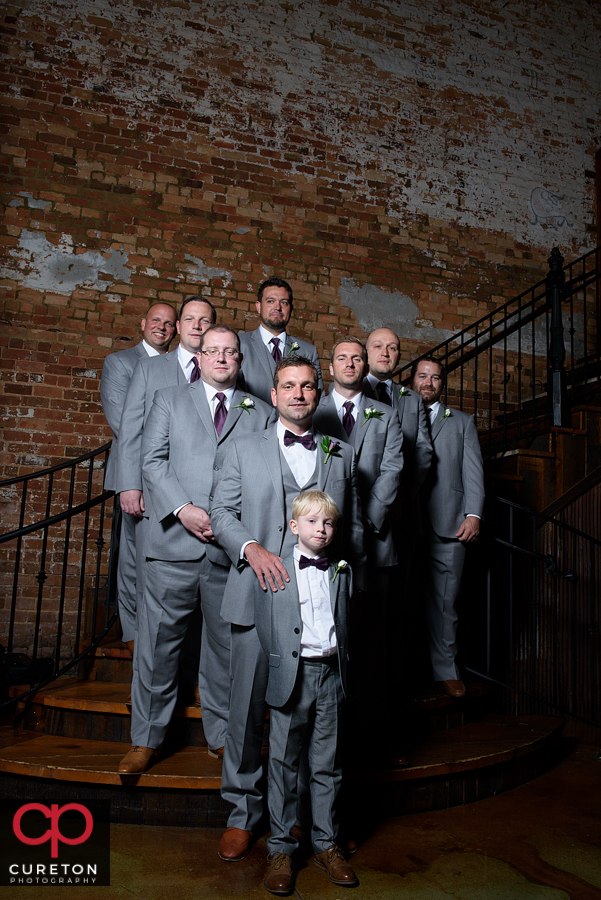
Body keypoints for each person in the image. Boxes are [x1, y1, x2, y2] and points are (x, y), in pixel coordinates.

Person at [210, 355, 365, 864]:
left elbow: (353, 526)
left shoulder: (339, 452)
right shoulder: (241, 447)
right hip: (257, 597)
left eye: (306, 387)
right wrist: (251, 548)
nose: (297, 394)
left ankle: (305, 818)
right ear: (273, 396)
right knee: (250, 714)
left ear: (317, 396)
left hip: (317, 607)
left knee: (308, 718)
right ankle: (242, 815)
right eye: (287, 386)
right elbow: (221, 511)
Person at [117, 326, 275, 775]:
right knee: (156, 647)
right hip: (172, 545)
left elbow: (264, 478)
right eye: (213, 351)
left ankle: (223, 738)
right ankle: (145, 739)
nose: (222, 359)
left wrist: (233, 530)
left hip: (228, 555)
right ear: (199, 357)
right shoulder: (169, 400)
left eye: (230, 352)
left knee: (226, 651)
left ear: (240, 361)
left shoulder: (261, 411)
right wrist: (183, 509)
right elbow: (152, 460)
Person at [258, 491, 358, 894]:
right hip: (293, 677)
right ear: (295, 527)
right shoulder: (277, 569)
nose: (322, 529)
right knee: (282, 765)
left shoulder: (342, 570)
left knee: (327, 765)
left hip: (332, 673)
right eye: (313, 522)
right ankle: (280, 849)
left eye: (329, 523)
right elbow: (264, 626)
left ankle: (326, 844)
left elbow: (348, 622)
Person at [313, 337, 405, 765]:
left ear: (365, 365)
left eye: (357, 357)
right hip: (321, 541)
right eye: (342, 357)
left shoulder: (385, 415)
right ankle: (325, 745)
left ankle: (375, 741)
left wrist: (366, 519)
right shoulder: (312, 409)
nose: (350, 363)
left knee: (371, 645)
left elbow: (392, 469)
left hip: (373, 539)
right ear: (330, 366)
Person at [115, 296, 216, 643]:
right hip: (152, 489)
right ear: (179, 327)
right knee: (147, 574)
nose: (197, 326)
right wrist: (129, 484)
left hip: (200, 492)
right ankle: (142, 646)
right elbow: (131, 429)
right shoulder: (150, 368)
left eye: (205, 320)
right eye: (189, 319)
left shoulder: (222, 370)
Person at [99, 303, 177, 652]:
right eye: (156, 321)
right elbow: (123, 421)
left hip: (171, 475)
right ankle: (131, 631)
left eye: (168, 323)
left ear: (175, 330)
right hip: (137, 474)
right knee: (132, 557)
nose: (162, 327)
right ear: (144, 324)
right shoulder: (120, 362)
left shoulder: (181, 366)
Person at [410, 357, 485, 697]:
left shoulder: (463, 422)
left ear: (443, 384)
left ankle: (446, 669)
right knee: (398, 601)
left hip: (450, 524)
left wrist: (474, 514)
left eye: (435, 378)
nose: (428, 382)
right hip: (404, 523)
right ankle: (402, 673)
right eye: (422, 376)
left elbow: (474, 472)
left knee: (445, 603)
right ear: (412, 381)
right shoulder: (395, 414)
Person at [363, 328, 432, 496]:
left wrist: (403, 492)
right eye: (378, 346)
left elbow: (423, 450)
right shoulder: (351, 393)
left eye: (392, 348)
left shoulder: (413, 400)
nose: (385, 353)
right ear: (365, 354)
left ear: (399, 357)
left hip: (401, 498)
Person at [238, 277, 323, 404]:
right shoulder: (239, 344)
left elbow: (318, 401)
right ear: (259, 306)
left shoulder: (308, 351)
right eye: (270, 301)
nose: (277, 307)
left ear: (291, 309)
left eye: (284, 302)